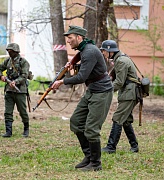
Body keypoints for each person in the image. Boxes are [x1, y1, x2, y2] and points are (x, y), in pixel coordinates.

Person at [51, 26, 113, 171]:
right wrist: (74, 65)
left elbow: (82, 77)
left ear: (79, 38)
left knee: (91, 129)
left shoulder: (89, 51)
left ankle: (96, 164)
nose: (68, 41)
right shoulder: (84, 50)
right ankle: (89, 156)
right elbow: (87, 69)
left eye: (70, 37)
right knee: (76, 122)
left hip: (101, 92)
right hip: (92, 91)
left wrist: (62, 81)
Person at [100, 40, 139, 153]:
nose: (103, 53)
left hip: (129, 93)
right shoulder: (120, 58)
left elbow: (119, 82)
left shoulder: (121, 61)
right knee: (125, 120)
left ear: (109, 51)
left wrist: (107, 90)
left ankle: (111, 147)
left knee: (117, 118)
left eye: (104, 51)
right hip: (128, 92)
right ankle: (134, 146)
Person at [0, 43, 30, 138]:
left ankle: (26, 129)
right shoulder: (7, 61)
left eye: (11, 51)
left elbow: (24, 75)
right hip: (9, 90)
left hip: (20, 91)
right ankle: (8, 131)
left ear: (16, 52)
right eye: (8, 51)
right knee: (8, 112)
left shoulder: (23, 62)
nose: (9, 53)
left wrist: (16, 82)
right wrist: (1, 76)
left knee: (22, 111)